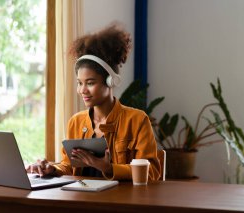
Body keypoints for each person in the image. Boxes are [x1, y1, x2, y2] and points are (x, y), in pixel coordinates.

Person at [26, 24, 161, 181]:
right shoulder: (76, 122)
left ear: (111, 81)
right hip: (83, 202)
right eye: (79, 83)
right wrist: (52, 169)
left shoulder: (137, 120)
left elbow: (152, 172)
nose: (82, 90)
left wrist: (108, 168)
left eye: (90, 83)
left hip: (120, 203)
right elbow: (68, 166)